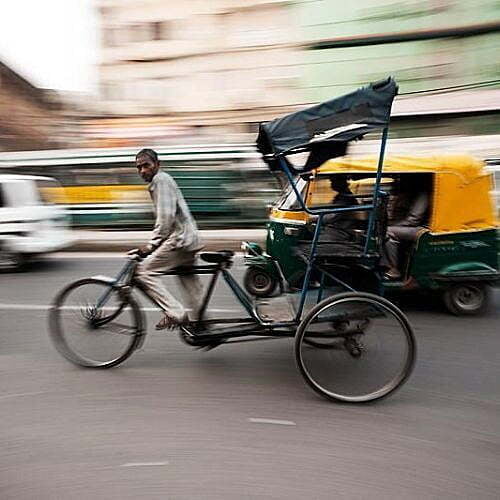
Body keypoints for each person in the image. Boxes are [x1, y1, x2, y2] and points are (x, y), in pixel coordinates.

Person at [130, 148, 204, 330]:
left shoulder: (160, 180)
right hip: (189, 239)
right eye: (138, 168)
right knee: (190, 283)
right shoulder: (162, 181)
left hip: (180, 240)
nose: (142, 171)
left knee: (143, 272)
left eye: (146, 166)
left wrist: (150, 246)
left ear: (157, 165)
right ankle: (201, 325)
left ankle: (175, 313)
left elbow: (165, 219)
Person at [382, 180, 430, 280]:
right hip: (412, 226)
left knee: (388, 231)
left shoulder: (423, 194)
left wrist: (391, 225)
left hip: (423, 229)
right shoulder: (408, 194)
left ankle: (393, 269)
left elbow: (413, 219)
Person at [318, 175, 359, 243]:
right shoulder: (341, 196)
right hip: (337, 228)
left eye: (333, 181)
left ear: (341, 182)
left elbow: (333, 216)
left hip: (340, 231)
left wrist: (316, 218)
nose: (332, 184)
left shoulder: (345, 198)